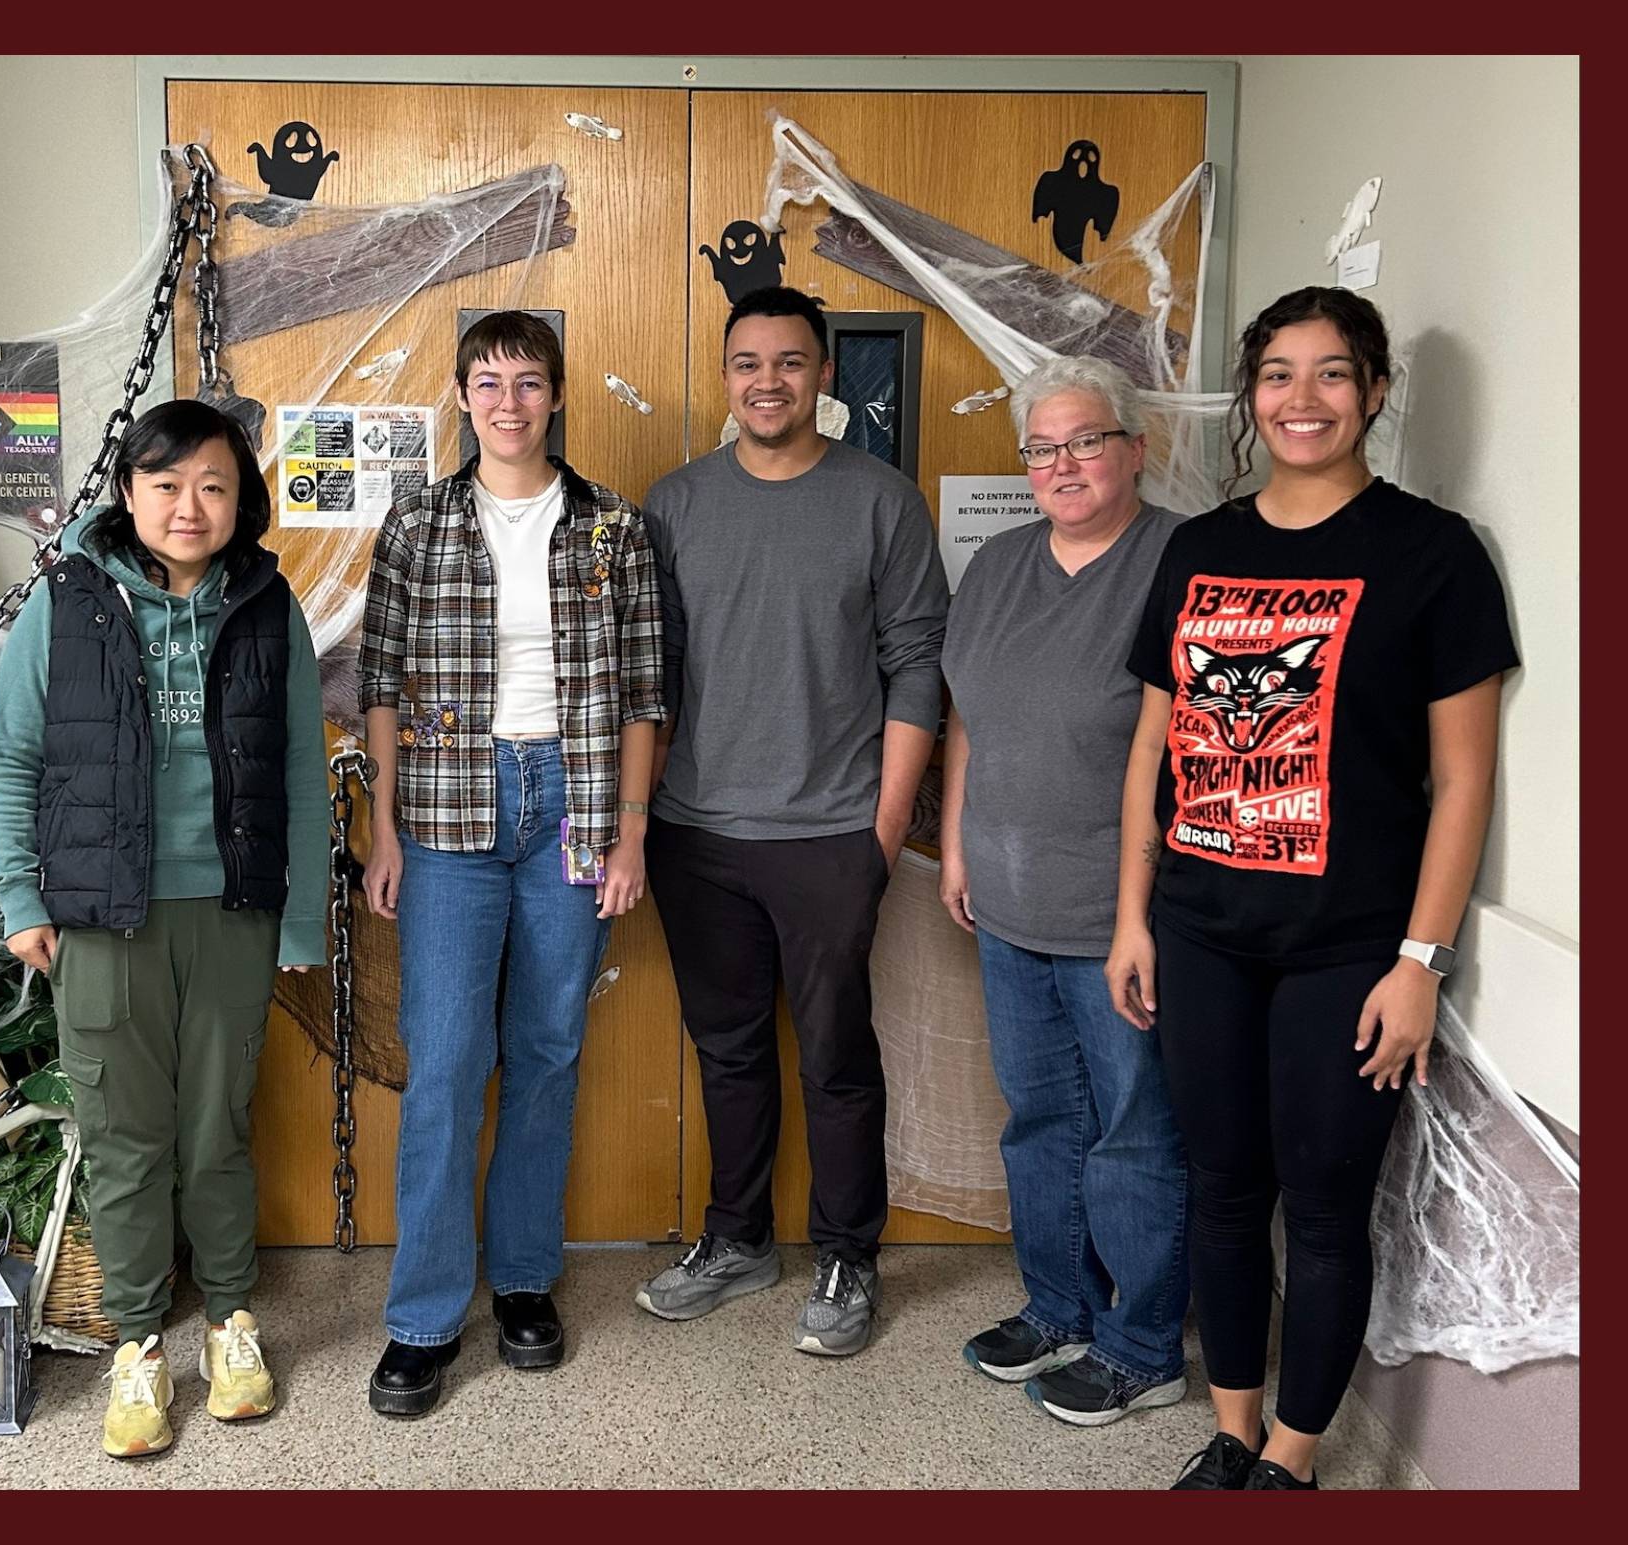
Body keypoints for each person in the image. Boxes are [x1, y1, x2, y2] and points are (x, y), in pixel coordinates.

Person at [1109, 287, 1517, 1490]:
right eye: (1276, 375)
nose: (1300, 400)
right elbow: (1152, 750)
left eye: (1331, 374)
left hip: (1348, 948)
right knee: (1223, 1191)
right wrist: (1130, 918)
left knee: (1325, 1208)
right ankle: (1231, 1434)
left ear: (1374, 393)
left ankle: (1291, 1459)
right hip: (1197, 931)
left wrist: (1419, 964)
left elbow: (1460, 783)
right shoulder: (1200, 546)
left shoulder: (1430, 554)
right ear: (1250, 397)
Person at [0, 398, 328, 1458]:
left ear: (241, 499)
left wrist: (302, 913)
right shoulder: (67, 602)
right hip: (101, 915)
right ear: (127, 492)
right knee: (126, 1142)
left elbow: (303, 776)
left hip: (228, 909)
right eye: (167, 484)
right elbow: (10, 756)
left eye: (213, 485)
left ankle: (229, 1324)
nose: (190, 505)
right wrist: (20, 897)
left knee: (215, 1132)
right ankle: (139, 1347)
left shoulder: (271, 611)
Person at [357, 311, 664, 1417]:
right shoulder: (418, 523)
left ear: (556, 395)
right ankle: (424, 1317)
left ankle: (524, 1281)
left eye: (527, 382)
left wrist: (628, 832)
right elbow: (378, 685)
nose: (507, 402)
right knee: (442, 1063)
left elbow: (642, 696)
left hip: (571, 806)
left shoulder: (612, 530)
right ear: (460, 396)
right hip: (445, 813)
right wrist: (383, 829)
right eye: (486, 382)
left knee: (545, 1051)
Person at [634, 285, 949, 1356]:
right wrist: (641, 820)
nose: (765, 381)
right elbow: (649, 676)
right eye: (746, 363)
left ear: (823, 376)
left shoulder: (881, 501)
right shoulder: (673, 503)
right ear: (725, 379)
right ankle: (736, 1240)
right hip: (696, 834)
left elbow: (917, 665)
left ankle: (846, 1255)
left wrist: (883, 824)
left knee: (833, 1055)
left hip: (830, 833)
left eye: (788, 362)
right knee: (725, 1050)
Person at [939, 355, 1191, 1425]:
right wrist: (954, 846)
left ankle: (1142, 1345)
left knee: (1134, 1130)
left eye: (1084, 440)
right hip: (1003, 902)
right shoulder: (996, 566)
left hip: (1119, 917)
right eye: (1040, 448)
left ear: (1135, 446)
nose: (1061, 465)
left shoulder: (1179, 559)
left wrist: (1137, 916)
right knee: (1039, 1119)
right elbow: (965, 717)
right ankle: (1059, 1310)